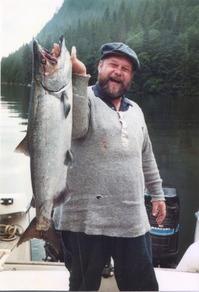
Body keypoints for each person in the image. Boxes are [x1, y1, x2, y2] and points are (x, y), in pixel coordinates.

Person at [53, 42, 166, 291]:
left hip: (131, 217)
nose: (118, 72)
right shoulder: (81, 97)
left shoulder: (136, 110)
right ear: (100, 66)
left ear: (131, 77)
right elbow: (78, 127)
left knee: (142, 286)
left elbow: (146, 156)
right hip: (84, 218)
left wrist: (157, 195)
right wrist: (79, 76)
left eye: (126, 69)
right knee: (83, 286)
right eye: (113, 65)